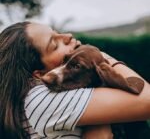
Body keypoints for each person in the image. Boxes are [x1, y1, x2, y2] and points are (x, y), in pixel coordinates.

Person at [0, 21, 150, 139]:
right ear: (39, 74)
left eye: (57, 33)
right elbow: (147, 100)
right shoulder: (41, 98)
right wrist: (103, 58)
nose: (68, 35)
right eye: (54, 44)